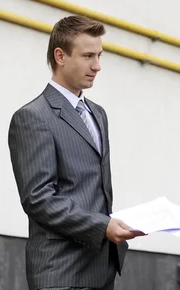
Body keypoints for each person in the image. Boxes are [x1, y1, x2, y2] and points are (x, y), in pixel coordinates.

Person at [8, 15, 145, 290]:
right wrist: (102, 226)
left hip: (101, 268)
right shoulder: (32, 117)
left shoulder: (98, 115)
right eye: (87, 56)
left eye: (99, 55)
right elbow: (38, 199)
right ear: (60, 56)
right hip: (60, 272)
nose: (97, 66)